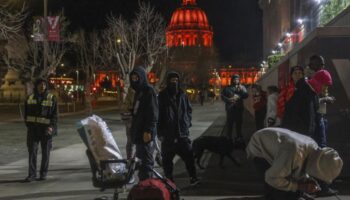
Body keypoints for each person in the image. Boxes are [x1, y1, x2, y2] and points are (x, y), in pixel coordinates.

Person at [246, 127, 343, 200]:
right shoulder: (293, 153)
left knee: (289, 186)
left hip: (278, 147)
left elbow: (303, 166)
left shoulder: (312, 148)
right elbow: (271, 177)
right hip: (259, 148)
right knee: (277, 192)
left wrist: (307, 180)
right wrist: (300, 186)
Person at [158, 71, 199, 186]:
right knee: (167, 161)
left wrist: (187, 123)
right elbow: (158, 115)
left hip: (182, 134)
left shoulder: (183, 95)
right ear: (168, 81)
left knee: (189, 158)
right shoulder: (162, 96)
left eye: (176, 80)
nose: (174, 83)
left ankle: (193, 178)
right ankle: (169, 181)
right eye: (172, 80)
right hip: (168, 135)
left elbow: (189, 110)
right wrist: (160, 132)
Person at [24, 78, 58, 182]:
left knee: (45, 153)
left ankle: (43, 174)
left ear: (46, 86)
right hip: (33, 130)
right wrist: (29, 126)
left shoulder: (51, 98)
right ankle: (31, 175)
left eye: (44, 84)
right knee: (32, 153)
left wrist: (51, 127)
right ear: (36, 86)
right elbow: (26, 115)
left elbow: (55, 115)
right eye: (40, 84)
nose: (42, 86)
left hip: (46, 130)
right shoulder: (29, 98)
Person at [282, 70, 332, 137]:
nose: (325, 89)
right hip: (297, 137)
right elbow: (293, 116)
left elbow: (316, 116)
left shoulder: (313, 94)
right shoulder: (302, 92)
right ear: (319, 82)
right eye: (325, 85)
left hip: (304, 138)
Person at [130, 66, 159, 181]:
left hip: (145, 133)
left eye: (137, 77)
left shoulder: (148, 90)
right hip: (139, 132)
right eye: (133, 78)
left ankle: (148, 185)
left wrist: (148, 130)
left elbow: (153, 113)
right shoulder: (139, 92)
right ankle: (144, 185)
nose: (135, 80)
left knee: (146, 161)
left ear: (142, 77)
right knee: (141, 160)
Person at [221, 74, 248, 140]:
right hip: (230, 109)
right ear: (232, 80)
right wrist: (228, 100)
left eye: (237, 79)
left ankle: (239, 138)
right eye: (235, 79)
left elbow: (246, 95)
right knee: (230, 124)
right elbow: (222, 96)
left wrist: (240, 95)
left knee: (239, 124)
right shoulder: (227, 88)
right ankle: (228, 139)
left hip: (239, 108)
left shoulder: (242, 87)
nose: (236, 80)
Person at [121, 87, 136, 160]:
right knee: (131, 141)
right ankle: (130, 159)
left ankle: (132, 159)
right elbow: (125, 110)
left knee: (133, 142)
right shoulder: (129, 95)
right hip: (131, 121)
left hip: (136, 121)